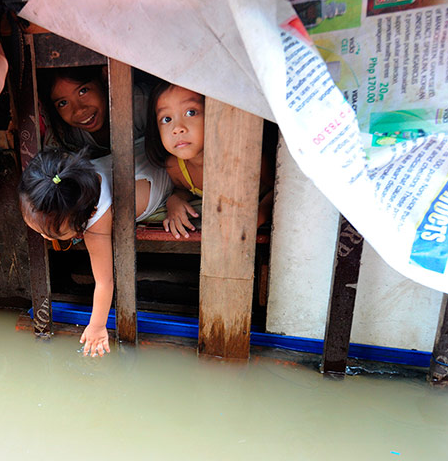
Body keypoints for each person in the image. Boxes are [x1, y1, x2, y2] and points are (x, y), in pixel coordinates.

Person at [19, 147, 172, 357]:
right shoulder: (70, 179)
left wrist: (97, 326)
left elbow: (104, 281)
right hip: (141, 151)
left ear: (86, 218)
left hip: (164, 176)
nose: (45, 238)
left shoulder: (97, 219)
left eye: (53, 233)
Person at [145, 81, 274, 239]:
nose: (177, 128)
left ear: (217, 113)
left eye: (191, 112)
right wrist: (174, 201)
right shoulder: (176, 168)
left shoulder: (247, 156)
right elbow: (184, 190)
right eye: (166, 119)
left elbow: (278, 190)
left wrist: (257, 217)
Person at [38, 66, 149, 159]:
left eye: (83, 91)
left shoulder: (140, 105)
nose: (79, 110)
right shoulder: (65, 132)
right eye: (63, 103)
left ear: (105, 77)